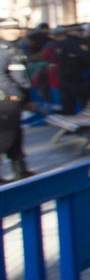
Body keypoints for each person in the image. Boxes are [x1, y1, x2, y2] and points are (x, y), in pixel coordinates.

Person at [0, 18, 32, 181]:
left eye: (15, 28)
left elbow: (22, 77)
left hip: (14, 99)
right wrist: (16, 93)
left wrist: (26, 98)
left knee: (15, 135)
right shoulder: (2, 50)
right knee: (5, 138)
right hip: (5, 100)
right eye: (7, 29)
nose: (12, 31)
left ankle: (20, 169)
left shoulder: (15, 49)